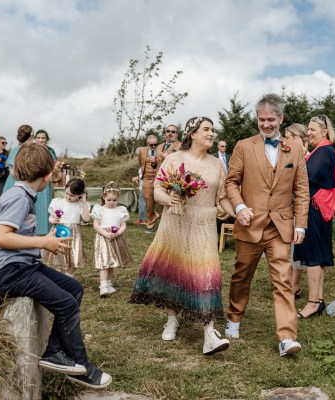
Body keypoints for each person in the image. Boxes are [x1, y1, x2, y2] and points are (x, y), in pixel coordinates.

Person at [0, 142, 112, 389]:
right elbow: (1, 237)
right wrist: (43, 241)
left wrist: (44, 240)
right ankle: (81, 365)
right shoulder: (19, 197)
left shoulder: (22, 194)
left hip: (24, 265)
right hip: (9, 272)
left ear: (16, 171)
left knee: (75, 289)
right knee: (66, 304)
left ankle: (55, 352)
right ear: (48, 177)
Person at [131, 117, 235, 355]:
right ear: (193, 134)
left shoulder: (217, 164)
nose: (211, 133)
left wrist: (239, 214)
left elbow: (222, 198)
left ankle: (209, 332)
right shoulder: (174, 159)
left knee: (207, 272)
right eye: (206, 130)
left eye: (212, 130)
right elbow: (158, 189)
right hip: (175, 220)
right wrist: (170, 199)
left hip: (204, 223)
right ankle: (171, 319)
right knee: (174, 270)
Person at [224, 94, 310, 357]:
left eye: (271, 119)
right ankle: (234, 318)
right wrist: (239, 207)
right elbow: (231, 182)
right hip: (251, 224)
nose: (266, 124)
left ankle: (286, 337)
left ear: (281, 119)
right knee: (242, 275)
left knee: (283, 281)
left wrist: (301, 225)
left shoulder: (294, 149)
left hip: (281, 227)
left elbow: (302, 189)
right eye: (261, 119)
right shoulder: (243, 146)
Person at [293, 115, 335, 319]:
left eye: (312, 129)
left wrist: (297, 159)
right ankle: (318, 300)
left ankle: (312, 303)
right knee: (317, 258)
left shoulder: (323, 151)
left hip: (314, 209)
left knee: (313, 257)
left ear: (324, 131)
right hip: (320, 208)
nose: (308, 133)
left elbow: (304, 176)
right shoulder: (324, 150)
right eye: (308, 129)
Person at [42, 178, 90, 277]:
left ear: (80, 194)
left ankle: (68, 275)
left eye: (72, 195)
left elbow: (86, 219)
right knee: (58, 254)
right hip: (59, 231)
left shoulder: (81, 205)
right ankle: (58, 275)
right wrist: (53, 220)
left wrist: (84, 202)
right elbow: (51, 217)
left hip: (73, 234)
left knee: (74, 254)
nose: (68, 197)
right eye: (67, 193)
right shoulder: (58, 202)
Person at [91, 181, 133, 297]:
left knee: (112, 262)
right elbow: (96, 225)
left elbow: (123, 225)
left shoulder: (121, 210)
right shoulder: (99, 209)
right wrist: (105, 233)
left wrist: (118, 232)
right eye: (109, 200)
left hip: (115, 238)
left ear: (118, 198)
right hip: (104, 238)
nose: (111, 202)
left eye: (114, 200)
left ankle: (109, 283)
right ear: (104, 197)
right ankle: (103, 285)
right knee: (104, 262)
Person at [283, 123, 309, 300]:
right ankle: (290, 282)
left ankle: (295, 285)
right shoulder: (289, 154)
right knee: (290, 248)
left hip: (300, 207)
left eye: (288, 137)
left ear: (297, 138)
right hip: (287, 206)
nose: (284, 140)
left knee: (297, 248)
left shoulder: (306, 157)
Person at [138, 135, 162, 233]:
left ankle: (162, 225)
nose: (153, 146)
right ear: (147, 144)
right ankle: (150, 224)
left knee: (161, 203)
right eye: (151, 145)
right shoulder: (142, 151)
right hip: (147, 179)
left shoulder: (161, 150)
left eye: (155, 144)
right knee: (149, 204)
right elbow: (140, 164)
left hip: (159, 179)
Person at [34, 129, 57, 235]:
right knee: (36, 204)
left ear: (47, 140)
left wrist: (56, 167)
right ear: (35, 139)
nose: (40, 140)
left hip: (47, 180)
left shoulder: (51, 151)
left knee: (47, 204)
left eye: (43, 138)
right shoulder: (32, 150)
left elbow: (54, 165)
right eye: (38, 137)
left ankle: (47, 229)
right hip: (35, 180)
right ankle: (35, 229)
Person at [3, 124, 34, 192]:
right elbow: (13, 172)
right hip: (15, 186)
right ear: (31, 136)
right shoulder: (16, 150)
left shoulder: (31, 150)